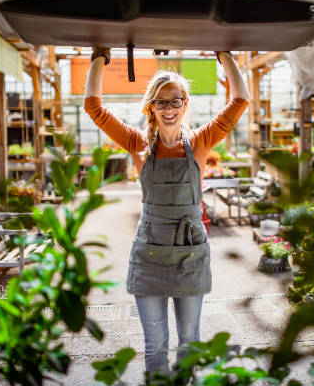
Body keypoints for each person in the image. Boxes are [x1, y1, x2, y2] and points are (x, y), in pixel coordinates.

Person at [84, 48, 249, 375]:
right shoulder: (137, 144)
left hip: (190, 256)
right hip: (150, 256)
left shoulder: (201, 141)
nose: (169, 109)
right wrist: (99, 58)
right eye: (161, 102)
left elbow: (240, 99)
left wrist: (224, 55)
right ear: (151, 106)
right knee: (155, 346)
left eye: (175, 101)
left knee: (189, 342)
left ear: (185, 104)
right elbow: (94, 107)